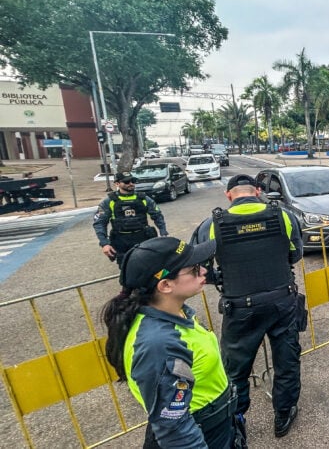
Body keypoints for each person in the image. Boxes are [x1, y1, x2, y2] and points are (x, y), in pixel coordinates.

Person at [100, 237, 245, 448]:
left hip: (218, 422)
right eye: (194, 269)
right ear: (165, 285)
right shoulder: (159, 344)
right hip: (201, 432)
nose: (204, 272)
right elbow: (174, 429)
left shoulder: (174, 313)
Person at [192, 174, 304, 438]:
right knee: (286, 360)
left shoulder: (212, 224)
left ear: (229, 195)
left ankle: (236, 421)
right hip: (282, 301)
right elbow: (296, 254)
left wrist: (221, 277)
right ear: (256, 191)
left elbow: (198, 267)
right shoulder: (284, 216)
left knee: (235, 370)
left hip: (240, 308)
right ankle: (283, 413)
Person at [93, 171, 168, 267]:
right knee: (128, 269)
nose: (131, 183)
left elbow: (157, 215)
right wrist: (104, 243)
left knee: (152, 266)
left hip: (143, 237)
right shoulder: (109, 201)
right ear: (117, 183)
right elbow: (99, 223)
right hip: (122, 240)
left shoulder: (143, 198)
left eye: (132, 181)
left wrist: (163, 232)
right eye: (127, 182)